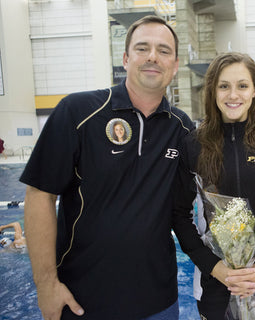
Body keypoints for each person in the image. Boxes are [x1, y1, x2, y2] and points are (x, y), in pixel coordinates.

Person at [20, 15, 194, 320]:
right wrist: (46, 285)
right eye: (143, 48)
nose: (153, 56)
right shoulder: (78, 112)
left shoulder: (182, 129)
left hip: (159, 302)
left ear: (175, 65)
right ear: (126, 59)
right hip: (82, 301)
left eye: (164, 51)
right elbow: (39, 193)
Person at [173, 52, 255, 319]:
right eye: (224, 86)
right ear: (213, 91)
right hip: (215, 282)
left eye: (242, 86)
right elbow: (178, 214)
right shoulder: (193, 145)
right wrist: (215, 267)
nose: (233, 95)